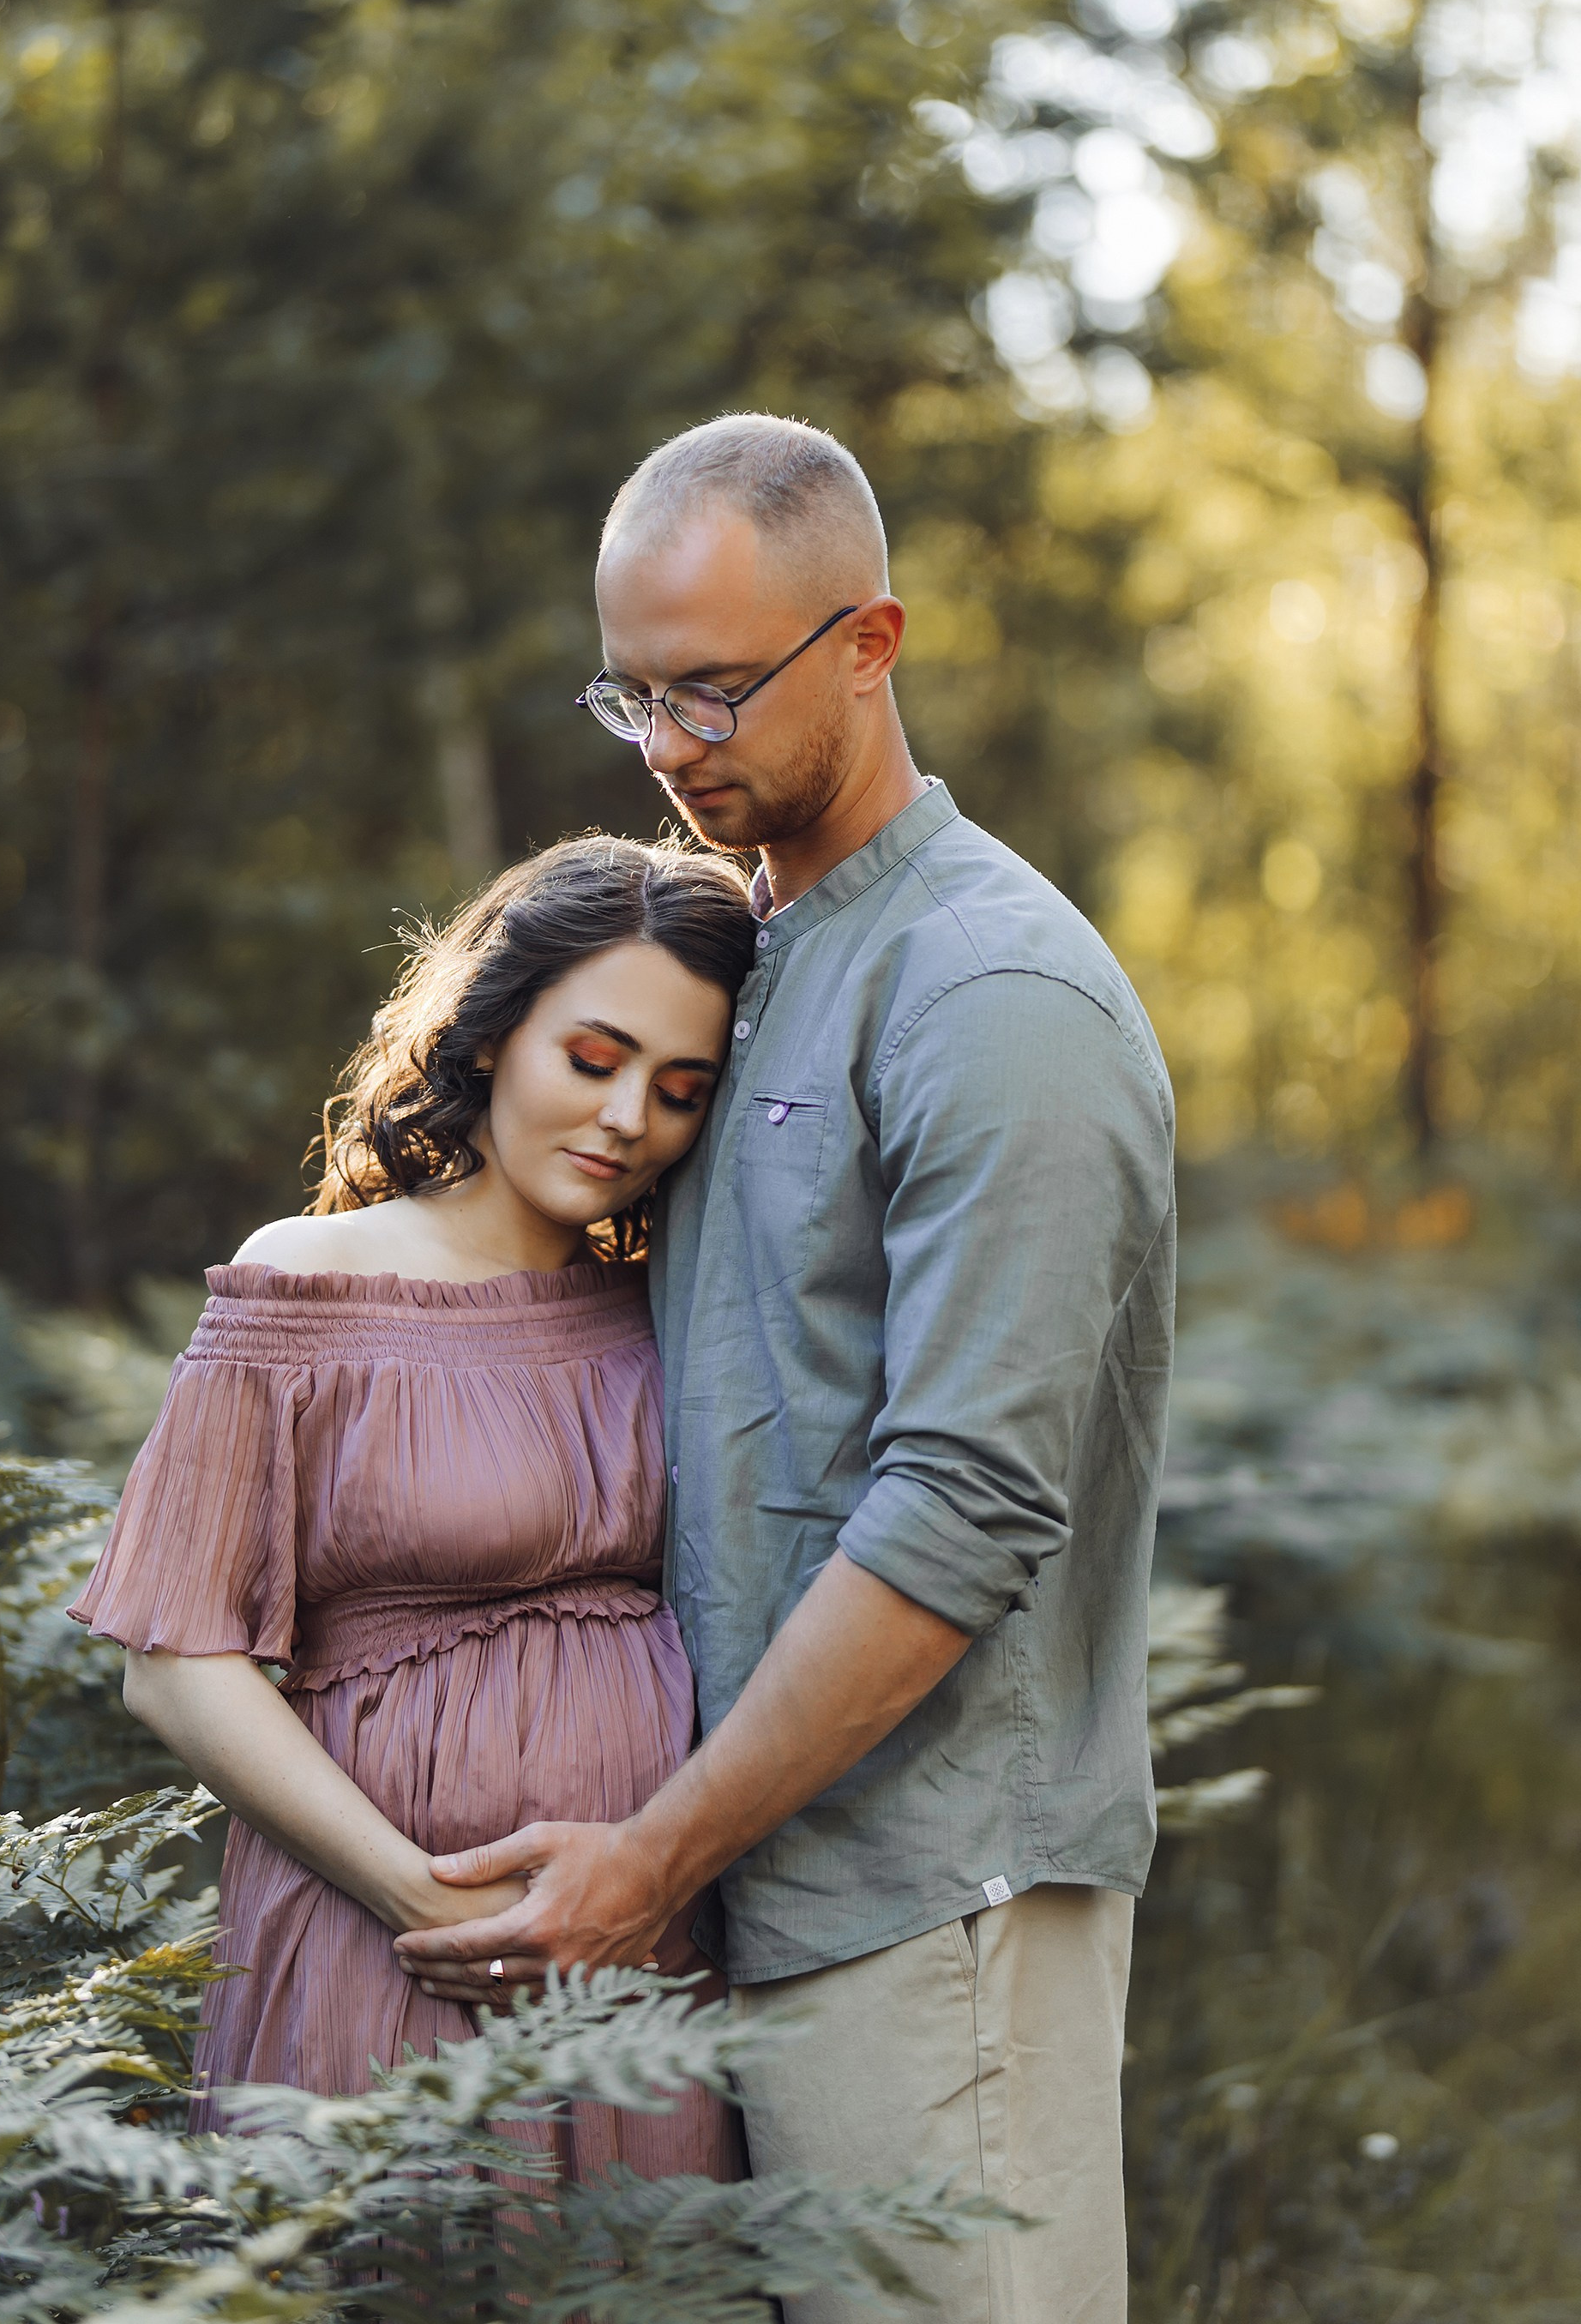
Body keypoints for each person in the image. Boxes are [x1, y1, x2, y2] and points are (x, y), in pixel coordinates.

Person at [395, 416, 1178, 2323]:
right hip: (749, 1902)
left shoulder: (995, 997)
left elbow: (965, 1506)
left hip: (933, 1909)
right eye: (632, 696)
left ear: (871, 643)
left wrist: (651, 1854)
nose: (669, 752)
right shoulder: (747, 968)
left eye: (717, 692)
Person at [69, 834, 756, 2178]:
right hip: (388, 1946)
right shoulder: (308, 1285)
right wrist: (410, 1890)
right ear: (496, 1035)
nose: (628, 1121)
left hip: (642, 1954)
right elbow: (176, 1665)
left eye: (681, 1091)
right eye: (594, 1060)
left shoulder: (674, 1307)